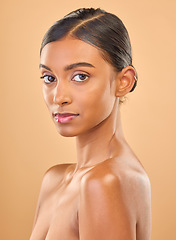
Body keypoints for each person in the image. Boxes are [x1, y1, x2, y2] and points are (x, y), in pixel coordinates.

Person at [30, 8, 151, 240]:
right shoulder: (53, 180)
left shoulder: (106, 183)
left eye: (80, 76)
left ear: (123, 82)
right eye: (49, 78)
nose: (58, 97)